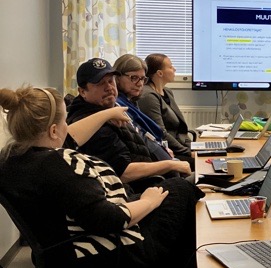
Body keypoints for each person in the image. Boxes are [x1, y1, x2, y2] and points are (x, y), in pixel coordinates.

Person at [0, 84, 202, 268]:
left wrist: (108, 113)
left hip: (58, 261)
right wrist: (149, 201)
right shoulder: (58, 166)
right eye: (65, 121)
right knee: (181, 190)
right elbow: (110, 219)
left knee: (175, 224)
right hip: (98, 261)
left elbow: (69, 137)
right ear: (53, 131)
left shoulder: (12, 161)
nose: (69, 128)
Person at [67, 58, 192, 188]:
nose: (109, 87)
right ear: (82, 91)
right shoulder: (93, 127)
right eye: (100, 83)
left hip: (161, 176)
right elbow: (123, 173)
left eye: (111, 81)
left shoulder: (112, 109)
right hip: (146, 188)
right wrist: (170, 165)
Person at [113, 53, 174, 157]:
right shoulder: (117, 105)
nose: (140, 84)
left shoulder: (131, 101)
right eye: (134, 78)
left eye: (142, 79)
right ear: (117, 77)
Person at [138, 53, 193, 165]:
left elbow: (181, 128)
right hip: (170, 152)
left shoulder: (167, 91)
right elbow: (160, 133)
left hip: (181, 146)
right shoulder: (148, 96)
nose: (174, 69)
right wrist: (188, 152)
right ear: (160, 73)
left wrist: (193, 147)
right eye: (170, 67)